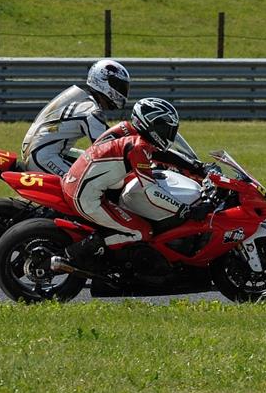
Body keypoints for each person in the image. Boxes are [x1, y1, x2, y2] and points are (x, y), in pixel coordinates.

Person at [61, 97, 212, 271]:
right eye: (165, 128)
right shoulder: (138, 147)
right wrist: (185, 210)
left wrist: (196, 167)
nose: (168, 133)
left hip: (85, 181)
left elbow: (162, 155)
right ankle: (74, 254)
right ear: (151, 126)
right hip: (85, 195)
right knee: (140, 231)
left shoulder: (133, 134)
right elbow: (151, 191)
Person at [21, 59, 131, 177]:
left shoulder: (82, 100)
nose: (121, 90)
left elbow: (109, 136)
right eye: (118, 86)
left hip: (40, 152)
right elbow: (108, 146)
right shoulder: (91, 111)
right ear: (103, 81)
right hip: (43, 158)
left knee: (87, 159)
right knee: (90, 184)